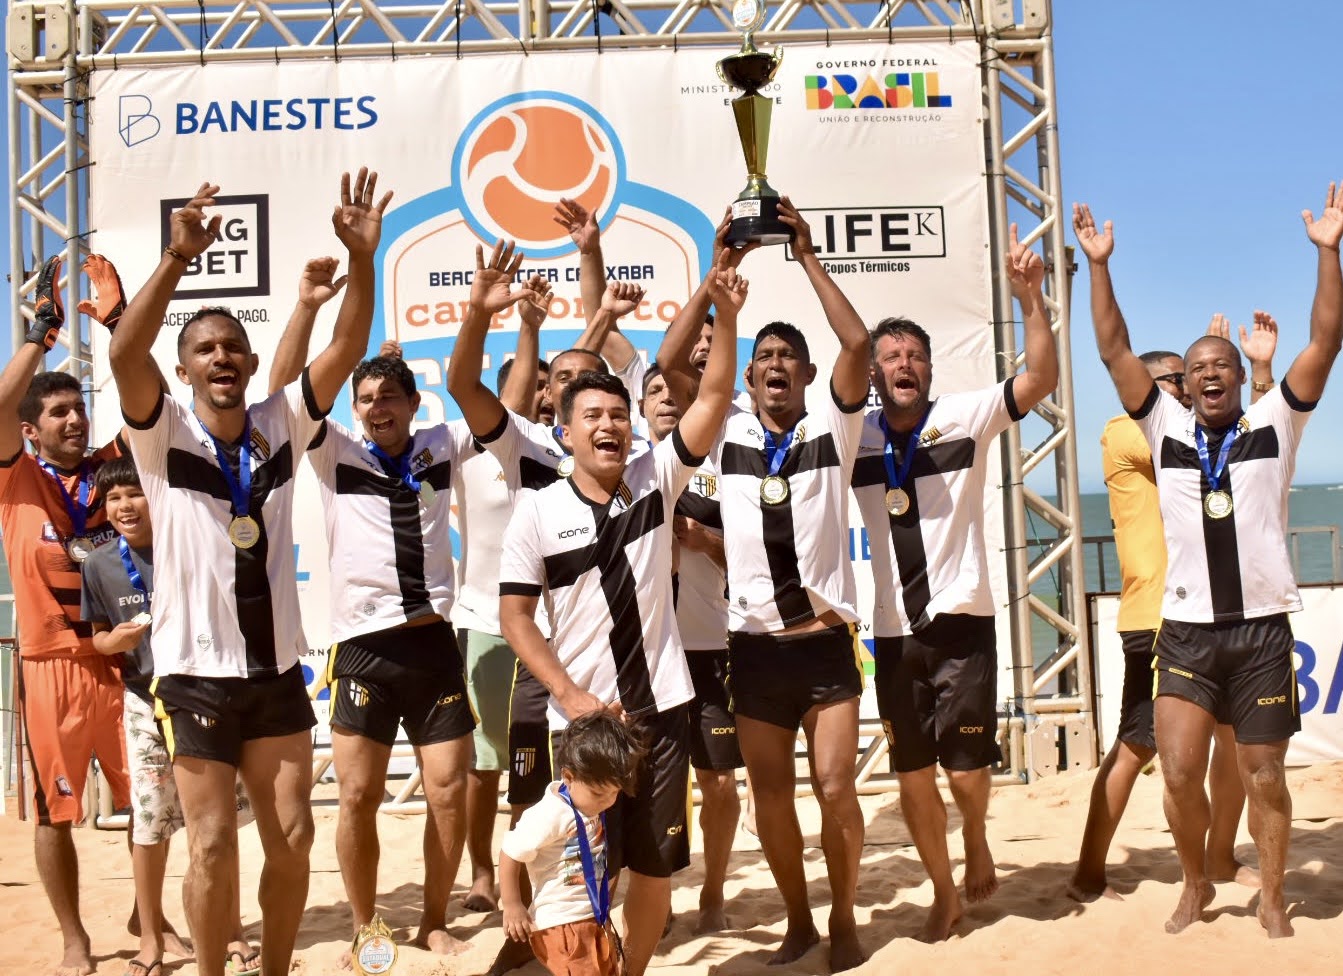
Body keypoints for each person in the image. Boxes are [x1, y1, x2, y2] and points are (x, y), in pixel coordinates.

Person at [107, 169, 389, 976]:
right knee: (210, 843)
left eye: (232, 346)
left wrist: (361, 260)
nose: (220, 357)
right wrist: (175, 260)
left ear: (252, 357)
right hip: (194, 675)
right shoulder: (159, 432)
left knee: (294, 837)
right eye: (204, 349)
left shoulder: (280, 422)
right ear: (185, 370)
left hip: (274, 673)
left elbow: (346, 346)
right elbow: (126, 346)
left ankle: (269, 971)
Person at [1075, 187, 1343, 939]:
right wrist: (1100, 268)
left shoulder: (1274, 420)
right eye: (1198, 367)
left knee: (1264, 776)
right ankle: (1194, 883)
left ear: (1235, 375)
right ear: (1183, 386)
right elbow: (1111, 349)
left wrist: (1327, 251)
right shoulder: (1161, 429)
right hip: (1185, 633)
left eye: (1222, 363)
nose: (1212, 373)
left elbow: (1324, 341)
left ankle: (1268, 895)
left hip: (1258, 632)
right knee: (1182, 774)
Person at [496, 249, 745, 976]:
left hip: (662, 712)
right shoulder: (536, 512)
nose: (608, 426)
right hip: (583, 723)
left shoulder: (657, 477)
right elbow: (516, 620)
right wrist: (570, 698)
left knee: (654, 864)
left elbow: (713, 392)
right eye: (591, 417)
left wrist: (724, 317)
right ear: (564, 433)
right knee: (580, 868)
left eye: (618, 416)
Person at [657, 198, 870, 971]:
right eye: (764, 358)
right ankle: (798, 921)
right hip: (751, 649)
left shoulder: (832, 429)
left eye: (789, 357)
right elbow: (674, 365)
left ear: (807, 375)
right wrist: (723, 274)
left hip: (823, 647)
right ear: (747, 375)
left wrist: (807, 257)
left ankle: (844, 919)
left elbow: (858, 342)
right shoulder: (728, 432)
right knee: (771, 800)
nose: (776, 364)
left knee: (836, 790)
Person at [848, 225, 1056, 940]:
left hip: (962, 620)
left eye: (915, 356)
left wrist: (1031, 299)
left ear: (930, 371)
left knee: (966, 772)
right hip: (889, 629)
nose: (904, 364)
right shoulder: (852, 439)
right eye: (891, 356)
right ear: (872, 373)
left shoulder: (965, 417)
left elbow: (1039, 380)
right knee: (911, 772)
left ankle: (975, 833)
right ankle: (943, 892)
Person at [1068, 316, 1280, 901]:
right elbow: (1174, 428)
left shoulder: (1197, 434)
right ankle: (1088, 873)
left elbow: (1252, 443)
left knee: (1234, 744)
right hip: (1155, 618)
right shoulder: (1126, 430)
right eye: (1177, 381)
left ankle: (1218, 859)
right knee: (1136, 747)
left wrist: (1256, 372)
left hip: (1211, 616)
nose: (1187, 392)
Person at [0, 253, 149, 976]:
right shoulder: (16, 479)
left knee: (149, 802)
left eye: (77, 408)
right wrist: (40, 332)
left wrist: (119, 322)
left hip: (123, 661)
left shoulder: (111, 471)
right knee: (55, 813)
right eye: (56, 412)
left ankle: (147, 917)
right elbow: (1, 404)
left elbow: (151, 406)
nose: (73, 419)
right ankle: (72, 938)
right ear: (30, 430)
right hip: (51, 666)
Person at [80, 456, 258, 976]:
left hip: (204, 694)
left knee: (218, 821)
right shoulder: (99, 564)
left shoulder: (190, 541)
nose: (124, 506)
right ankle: (152, 938)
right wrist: (116, 640)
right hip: (143, 697)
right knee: (151, 822)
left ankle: (232, 927)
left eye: (134, 494)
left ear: (154, 496)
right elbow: (96, 638)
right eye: (114, 499)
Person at [639, 365, 742, 933]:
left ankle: (713, 895)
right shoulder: (623, 470)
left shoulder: (720, 471)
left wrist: (706, 540)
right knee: (638, 784)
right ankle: (658, 899)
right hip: (644, 656)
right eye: (654, 393)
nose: (666, 401)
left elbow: (751, 560)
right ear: (640, 407)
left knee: (720, 783)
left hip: (707, 648)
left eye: (676, 393)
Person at [499, 711, 646, 976]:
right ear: (568, 777)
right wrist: (512, 904)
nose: (608, 801)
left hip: (592, 917)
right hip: (562, 923)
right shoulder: (551, 813)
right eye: (599, 793)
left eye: (614, 794)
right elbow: (510, 852)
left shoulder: (588, 804)